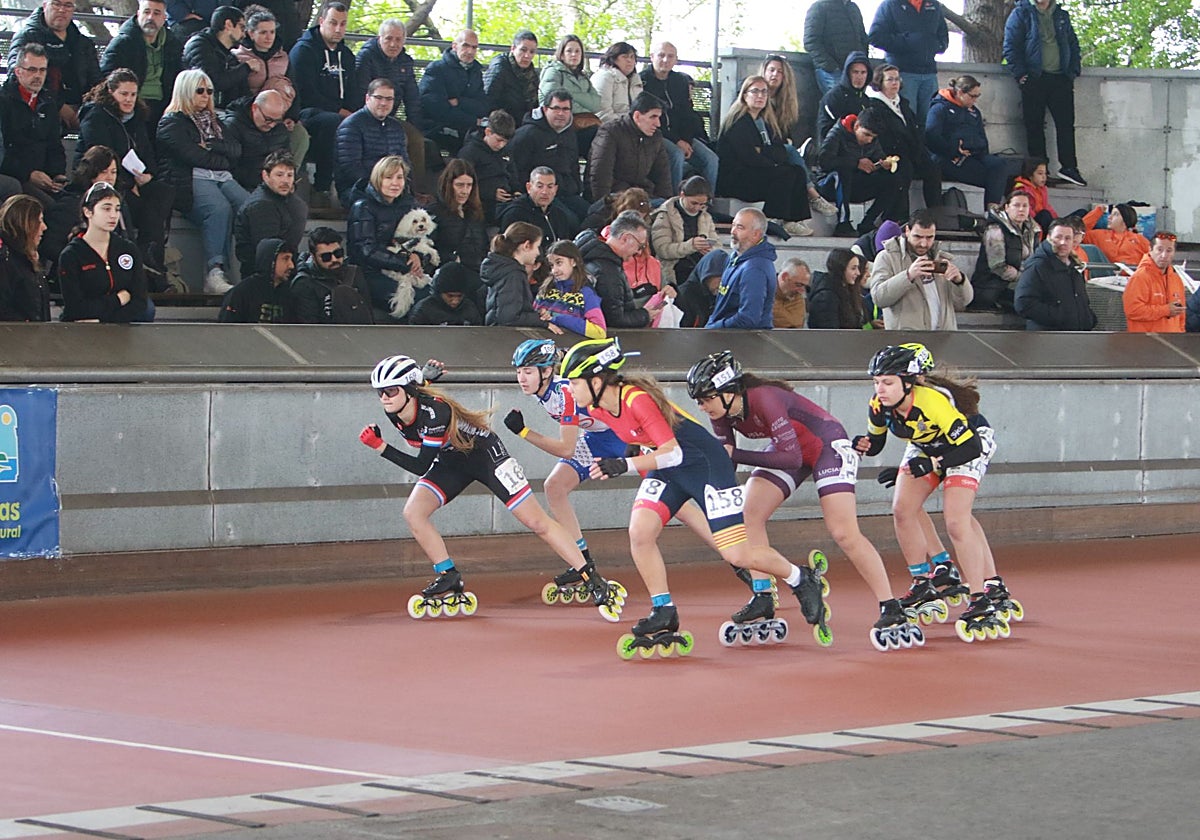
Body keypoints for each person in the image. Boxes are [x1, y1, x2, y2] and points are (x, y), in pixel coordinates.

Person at [559, 337, 831, 654]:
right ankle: (663, 609)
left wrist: (624, 463)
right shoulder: (596, 405)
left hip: (706, 467)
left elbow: (672, 452)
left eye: (574, 383)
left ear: (596, 381)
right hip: (669, 469)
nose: (570, 390)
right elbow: (641, 439)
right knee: (640, 532)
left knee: (737, 555)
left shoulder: (636, 399)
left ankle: (801, 578)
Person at [358, 354, 622, 619]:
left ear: (409, 390)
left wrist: (380, 447)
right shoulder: (396, 407)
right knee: (413, 513)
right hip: (452, 460)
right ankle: (448, 575)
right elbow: (419, 399)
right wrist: (425, 377)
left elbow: (420, 466)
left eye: (391, 390)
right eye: (380, 392)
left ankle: (591, 576)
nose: (384, 398)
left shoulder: (436, 412)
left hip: (485, 455)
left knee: (536, 522)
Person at [688, 350, 915, 648]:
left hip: (827, 445)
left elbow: (792, 458)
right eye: (698, 401)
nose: (703, 407)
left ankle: (890, 605)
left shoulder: (764, 399)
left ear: (729, 391)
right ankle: (762, 595)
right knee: (747, 515)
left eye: (706, 399)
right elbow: (726, 462)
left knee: (844, 532)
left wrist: (738, 455)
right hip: (788, 447)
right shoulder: (723, 412)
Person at [853, 343, 1012, 642]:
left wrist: (934, 463)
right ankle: (923, 580)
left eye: (887, 382)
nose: (880, 389)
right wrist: (862, 444)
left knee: (955, 519)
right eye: (876, 382)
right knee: (903, 509)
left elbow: (969, 448)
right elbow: (876, 442)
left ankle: (980, 596)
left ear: (908, 382)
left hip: (967, 443)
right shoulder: (878, 404)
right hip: (926, 444)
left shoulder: (932, 403)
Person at [503, 339, 629, 599]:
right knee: (554, 487)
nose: (521, 379)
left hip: (619, 437)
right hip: (598, 437)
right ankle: (581, 560)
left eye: (527, 372)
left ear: (547, 371)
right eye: (518, 372)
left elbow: (565, 449)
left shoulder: (565, 395)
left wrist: (524, 432)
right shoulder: (546, 393)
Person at [76, 69, 175, 278]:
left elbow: (147, 154)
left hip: (133, 179)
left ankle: (150, 254)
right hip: (104, 179)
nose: (129, 99)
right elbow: (100, 157)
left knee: (163, 192)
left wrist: (147, 176)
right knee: (146, 210)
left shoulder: (136, 119)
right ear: (110, 92)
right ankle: (146, 259)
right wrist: (130, 183)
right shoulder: (96, 115)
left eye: (133, 94)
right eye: (124, 94)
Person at [156, 68, 248, 293]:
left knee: (252, 206)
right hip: (188, 181)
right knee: (219, 209)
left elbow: (236, 150)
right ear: (185, 91)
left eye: (209, 91)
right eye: (199, 91)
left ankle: (253, 269)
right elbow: (193, 156)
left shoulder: (215, 121)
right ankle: (215, 271)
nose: (205, 95)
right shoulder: (171, 123)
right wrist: (222, 157)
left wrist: (212, 147)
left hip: (221, 178)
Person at [716, 77, 813, 237]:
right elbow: (749, 157)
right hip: (737, 178)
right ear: (744, 95)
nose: (760, 96)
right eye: (755, 91)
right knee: (784, 173)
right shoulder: (737, 122)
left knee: (797, 171)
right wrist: (770, 157)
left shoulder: (767, 122)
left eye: (764, 92)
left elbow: (781, 151)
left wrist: (764, 151)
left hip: (759, 171)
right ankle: (772, 218)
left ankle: (793, 220)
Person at [1003, 0, 1086, 187]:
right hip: (1034, 78)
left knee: (1066, 125)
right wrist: (1022, 75)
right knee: (1034, 126)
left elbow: (1073, 45)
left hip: (1060, 78)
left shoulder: (1061, 15)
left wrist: (1072, 71)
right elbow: (1010, 46)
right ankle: (1039, 172)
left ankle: (1069, 168)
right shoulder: (1021, 13)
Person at [289, 1, 358, 204]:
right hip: (307, 112)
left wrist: (354, 112)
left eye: (343, 24)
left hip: (341, 113)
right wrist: (341, 111)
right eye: (333, 23)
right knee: (333, 122)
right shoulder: (304, 50)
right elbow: (306, 92)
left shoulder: (347, 56)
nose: (338, 29)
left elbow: (354, 90)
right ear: (321, 21)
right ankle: (322, 189)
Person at [58, 181, 151, 322]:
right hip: (81, 334)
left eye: (117, 209)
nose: (114, 215)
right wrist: (118, 299)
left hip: (120, 329)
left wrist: (106, 320)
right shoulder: (72, 255)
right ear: (88, 211)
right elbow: (75, 308)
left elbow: (139, 301)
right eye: (106, 209)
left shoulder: (128, 249)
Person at [757, 54, 838, 216]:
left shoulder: (784, 102)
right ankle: (814, 195)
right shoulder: (756, 97)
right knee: (791, 153)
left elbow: (784, 134)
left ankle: (797, 215)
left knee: (796, 162)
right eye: (771, 70)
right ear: (764, 72)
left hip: (777, 149)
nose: (774, 75)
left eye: (779, 72)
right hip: (761, 148)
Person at [231, 6, 309, 170]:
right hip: (249, 115)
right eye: (263, 32)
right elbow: (235, 92)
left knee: (300, 136)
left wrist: (291, 117)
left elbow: (294, 89)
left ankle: (287, 176)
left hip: (281, 114)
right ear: (251, 33)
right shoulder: (239, 57)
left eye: (272, 32)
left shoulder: (283, 58)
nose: (269, 37)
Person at [869, 208, 972, 329]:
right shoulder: (886, 257)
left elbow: (963, 303)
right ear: (907, 231)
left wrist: (959, 281)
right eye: (918, 236)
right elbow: (878, 298)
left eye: (929, 237)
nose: (923, 243)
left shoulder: (942, 258)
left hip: (944, 338)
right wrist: (908, 276)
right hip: (907, 340)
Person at [7, 0, 102, 133]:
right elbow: (17, 75)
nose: (62, 10)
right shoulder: (27, 36)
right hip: (43, 106)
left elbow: (97, 80)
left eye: (68, 5)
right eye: (56, 4)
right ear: (45, 6)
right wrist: (59, 106)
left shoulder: (82, 42)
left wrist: (89, 107)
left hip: (82, 108)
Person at [862, 63, 942, 219]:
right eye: (890, 79)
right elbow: (883, 136)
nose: (894, 83)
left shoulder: (903, 104)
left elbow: (914, 130)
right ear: (880, 82)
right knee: (903, 170)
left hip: (910, 151)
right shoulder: (874, 106)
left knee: (932, 168)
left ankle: (937, 213)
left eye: (897, 79)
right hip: (890, 154)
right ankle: (898, 217)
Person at [639, 41, 718, 192]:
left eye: (670, 56)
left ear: (676, 59)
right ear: (652, 57)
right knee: (676, 155)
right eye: (661, 55)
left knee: (711, 159)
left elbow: (687, 115)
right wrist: (677, 141)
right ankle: (673, 201)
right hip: (655, 133)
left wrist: (686, 140)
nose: (665, 60)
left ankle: (706, 203)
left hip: (682, 136)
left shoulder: (680, 81)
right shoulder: (642, 81)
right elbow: (648, 117)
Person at [346, 155, 420, 314]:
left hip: (402, 269)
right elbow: (366, 250)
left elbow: (421, 238)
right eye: (389, 177)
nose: (395, 183)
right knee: (419, 300)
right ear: (378, 179)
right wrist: (404, 262)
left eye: (399, 177)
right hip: (368, 273)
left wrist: (419, 257)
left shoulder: (408, 205)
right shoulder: (363, 207)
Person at [926, 75, 1013, 208]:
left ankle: (992, 209)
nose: (975, 100)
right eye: (972, 96)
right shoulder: (939, 108)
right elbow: (931, 136)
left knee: (1001, 166)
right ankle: (991, 212)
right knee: (994, 180)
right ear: (960, 92)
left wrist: (980, 151)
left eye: (978, 96)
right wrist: (953, 150)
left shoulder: (974, 112)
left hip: (975, 154)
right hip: (950, 157)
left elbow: (981, 136)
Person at [817, 108, 905, 237]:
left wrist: (882, 164)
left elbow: (878, 156)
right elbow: (824, 161)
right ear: (856, 126)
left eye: (873, 137)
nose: (869, 140)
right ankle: (843, 222)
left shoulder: (872, 141)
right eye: (866, 135)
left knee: (893, 179)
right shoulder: (837, 133)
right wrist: (856, 163)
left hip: (855, 185)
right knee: (843, 173)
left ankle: (868, 222)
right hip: (831, 184)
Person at [355, 19, 426, 179]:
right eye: (388, 38)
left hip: (391, 118)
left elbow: (412, 99)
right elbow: (359, 92)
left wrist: (417, 126)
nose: (393, 44)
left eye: (398, 39)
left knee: (416, 139)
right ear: (379, 38)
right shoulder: (366, 56)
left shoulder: (405, 62)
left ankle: (417, 190)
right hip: (365, 116)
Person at [0, 44, 67, 208]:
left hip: (44, 178)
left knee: (71, 203)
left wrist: (58, 174)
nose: (38, 75)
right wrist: (29, 174)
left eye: (42, 70)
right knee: (50, 208)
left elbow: (54, 145)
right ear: (18, 71)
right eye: (32, 70)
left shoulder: (48, 102)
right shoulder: (3, 101)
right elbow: (4, 150)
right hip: (17, 175)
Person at [508, 91, 589, 223]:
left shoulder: (569, 134)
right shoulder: (527, 134)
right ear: (545, 109)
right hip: (541, 197)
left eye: (565, 109)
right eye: (556, 108)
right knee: (571, 222)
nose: (561, 114)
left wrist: (577, 187)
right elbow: (515, 168)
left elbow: (573, 165)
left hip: (567, 193)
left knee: (593, 215)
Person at [101, 0, 183, 128]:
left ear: (164, 18)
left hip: (165, 107)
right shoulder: (122, 43)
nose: (150, 17)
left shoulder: (173, 44)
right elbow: (107, 76)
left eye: (156, 13)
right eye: (146, 12)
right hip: (133, 104)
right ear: (138, 14)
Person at [576, 210, 660, 329]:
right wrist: (645, 315)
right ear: (625, 238)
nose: (639, 252)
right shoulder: (608, 272)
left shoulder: (587, 252)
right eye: (640, 246)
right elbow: (615, 320)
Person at [868, 0, 949, 124]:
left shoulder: (933, 5)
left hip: (929, 73)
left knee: (931, 121)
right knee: (906, 120)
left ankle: (924, 144)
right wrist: (907, 41)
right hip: (903, 72)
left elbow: (943, 34)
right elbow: (875, 37)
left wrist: (937, 46)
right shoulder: (890, 5)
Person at [1013, 216, 1097, 331]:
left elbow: (1083, 302)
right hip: (1047, 340)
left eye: (1068, 238)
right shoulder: (1037, 266)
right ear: (1049, 238)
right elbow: (1023, 304)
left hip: (1075, 338)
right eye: (1058, 237)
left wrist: (1088, 319)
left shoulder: (1075, 269)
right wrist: (1060, 317)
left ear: (1074, 242)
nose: (1063, 242)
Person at [335, 78, 409, 206]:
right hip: (358, 190)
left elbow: (405, 163)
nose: (384, 103)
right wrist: (381, 185)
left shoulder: (396, 127)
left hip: (392, 189)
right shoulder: (351, 125)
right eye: (379, 97)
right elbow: (350, 168)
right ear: (367, 99)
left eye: (389, 99)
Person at [588, 92, 672, 205]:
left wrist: (665, 207)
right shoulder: (610, 132)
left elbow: (663, 175)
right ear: (637, 116)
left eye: (659, 117)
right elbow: (600, 175)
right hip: (615, 198)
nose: (658, 124)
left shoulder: (655, 137)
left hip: (643, 197)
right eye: (653, 117)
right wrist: (604, 206)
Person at [233, 149, 305, 273]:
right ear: (265, 176)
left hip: (283, 271)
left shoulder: (291, 201)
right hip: (262, 277)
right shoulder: (261, 205)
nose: (285, 180)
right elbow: (269, 254)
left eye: (290, 175)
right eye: (279, 175)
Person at [418, 29, 488, 155]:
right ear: (454, 46)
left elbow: (482, 107)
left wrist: (459, 102)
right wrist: (473, 120)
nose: (470, 51)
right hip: (437, 130)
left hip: (466, 131)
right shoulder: (437, 69)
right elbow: (435, 108)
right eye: (465, 45)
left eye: (474, 47)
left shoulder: (476, 72)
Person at [705, 207, 776, 330]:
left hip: (742, 343)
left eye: (740, 228)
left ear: (756, 234)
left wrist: (714, 328)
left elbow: (748, 319)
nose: (733, 231)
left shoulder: (754, 270)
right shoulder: (735, 258)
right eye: (733, 225)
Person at [970, 188, 1039, 312]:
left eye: (1025, 206)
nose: (1021, 209)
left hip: (1020, 283)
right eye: (1016, 205)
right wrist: (1024, 279)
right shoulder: (995, 230)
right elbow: (998, 267)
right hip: (991, 287)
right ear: (1007, 207)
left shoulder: (1033, 231)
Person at [290, 225, 374, 324]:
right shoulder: (304, 282)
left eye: (338, 253)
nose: (334, 260)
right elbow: (309, 326)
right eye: (326, 257)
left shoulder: (354, 273)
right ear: (313, 257)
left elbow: (368, 315)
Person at [427, 158, 488, 291]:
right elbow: (428, 249)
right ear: (449, 184)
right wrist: (452, 258)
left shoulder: (475, 212)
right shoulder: (434, 212)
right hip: (451, 274)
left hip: (478, 270)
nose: (465, 191)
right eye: (460, 185)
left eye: (469, 185)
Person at [649, 175, 718, 286]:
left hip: (700, 269)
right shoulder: (665, 215)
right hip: (674, 271)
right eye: (694, 203)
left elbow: (717, 246)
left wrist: (709, 250)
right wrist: (691, 246)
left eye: (702, 204)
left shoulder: (705, 216)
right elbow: (662, 249)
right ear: (682, 195)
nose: (697, 208)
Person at [220, 88, 290, 191]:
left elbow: (286, 159)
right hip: (242, 185)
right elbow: (230, 166)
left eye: (277, 120)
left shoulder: (280, 128)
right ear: (254, 108)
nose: (272, 125)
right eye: (268, 119)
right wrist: (264, 179)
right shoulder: (232, 126)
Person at [456, 109, 518, 223]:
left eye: (505, 142)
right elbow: (461, 183)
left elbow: (512, 173)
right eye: (499, 140)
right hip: (481, 204)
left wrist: (516, 191)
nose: (502, 145)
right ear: (488, 132)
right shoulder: (469, 152)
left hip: (506, 202)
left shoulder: (506, 151)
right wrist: (490, 193)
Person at [534, 239, 605, 337]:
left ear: (574, 262)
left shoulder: (586, 293)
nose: (554, 270)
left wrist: (558, 318)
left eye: (559, 263)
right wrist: (540, 316)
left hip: (570, 347)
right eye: (551, 265)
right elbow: (533, 316)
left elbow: (599, 332)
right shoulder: (546, 289)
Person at [182, 5, 249, 109]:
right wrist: (247, 67)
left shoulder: (229, 55)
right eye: (242, 27)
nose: (244, 35)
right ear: (228, 25)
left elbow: (242, 92)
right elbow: (213, 82)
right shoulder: (199, 45)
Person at [538, 34, 601, 142]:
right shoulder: (553, 71)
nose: (574, 54)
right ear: (562, 54)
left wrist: (571, 95)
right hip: (559, 123)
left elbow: (596, 104)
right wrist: (585, 109)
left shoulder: (583, 77)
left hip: (582, 123)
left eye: (577, 51)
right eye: (569, 51)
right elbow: (552, 101)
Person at [218, 236, 297, 322]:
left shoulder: (290, 294)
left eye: (291, 259)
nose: (291, 265)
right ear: (270, 260)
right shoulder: (241, 293)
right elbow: (227, 329)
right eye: (285, 259)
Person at [481, 221, 544, 327]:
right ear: (526, 245)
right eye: (537, 246)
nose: (538, 253)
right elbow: (509, 318)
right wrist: (539, 320)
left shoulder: (503, 269)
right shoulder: (513, 275)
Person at [497, 166, 579, 245]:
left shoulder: (559, 214)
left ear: (555, 189)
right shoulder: (515, 214)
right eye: (540, 186)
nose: (544, 192)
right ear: (529, 187)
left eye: (550, 187)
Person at [0, 195, 51, 322]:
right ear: (25, 224)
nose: (44, 227)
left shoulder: (27, 258)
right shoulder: (5, 260)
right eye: (39, 221)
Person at [1124, 232, 1186, 333]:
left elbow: (1181, 317)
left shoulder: (1176, 279)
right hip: (1146, 343)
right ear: (1150, 250)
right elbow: (1133, 311)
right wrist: (1166, 310)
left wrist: (1181, 336)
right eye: (1159, 249)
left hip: (1172, 343)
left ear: (1174, 253)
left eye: (1169, 250)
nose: (1164, 255)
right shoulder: (1140, 277)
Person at [803, 0, 869, 95]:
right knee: (836, 107)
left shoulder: (853, 8)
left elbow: (863, 38)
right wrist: (831, 67)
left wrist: (863, 62)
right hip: (832, 72)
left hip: (855, 70)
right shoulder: (819, 7)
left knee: (856, 107)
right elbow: (811, 41)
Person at [484, 29, 540, 125]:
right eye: (523, 50)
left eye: (532, 52)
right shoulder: (499, 68)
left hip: (523, 122)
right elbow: (488, 101)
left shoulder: (531, 74)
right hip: (500, 124)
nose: (527, 55)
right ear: (513, 48)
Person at [816, 51, 871, 143]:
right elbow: (830, 132)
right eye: (855, 72)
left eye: (863, 72)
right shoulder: (834, 96)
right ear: (848, 73)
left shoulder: (866, 100)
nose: (859, 77)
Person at [808, 248, 868, 329]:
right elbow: (829, 333)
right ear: (841, 268)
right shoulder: (826, 297)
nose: (858, 273)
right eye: (853, 268)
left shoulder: (846, 291)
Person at [407, 261, 482, 326]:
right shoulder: (423, 311)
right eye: (450, 296)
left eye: (459, 296)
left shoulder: (470, 309)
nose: (455, 301)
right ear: (439, 293)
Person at [1082, 203, 1150, 266]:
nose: (1109, 217)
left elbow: (1153, 259)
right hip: (1107, 276)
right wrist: (1097, 212)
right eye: (1110, 214)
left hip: (1132, 276)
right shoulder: (1099, 235)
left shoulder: (1140, 240)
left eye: (1115, 214)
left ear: (1125, 219)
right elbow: (1079, 231)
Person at [593, 42, 642, 124]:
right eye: (624, 57)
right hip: (610, 130)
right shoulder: (604, 77)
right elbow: (602, 114)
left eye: (632, 57)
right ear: (614, 59)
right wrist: (630, 125)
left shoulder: (636, 80)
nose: (629, 60)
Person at [677, 248, 726, 327]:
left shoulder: (721, 296)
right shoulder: (683, 296)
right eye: (719, 279)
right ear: (707, 275)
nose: (721, 284)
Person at [1012, 158, 1057, 234]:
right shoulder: (1021, 189)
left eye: (1045, 174)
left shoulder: (1042, 189)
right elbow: (1028, 213)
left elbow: (1047, 207)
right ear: (1030, 175)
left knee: (1080, 214)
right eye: (1040, 173)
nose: (1044, 177)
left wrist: (1058, 221)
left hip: (1044, 221)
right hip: (1032, 225)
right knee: (1044, 214)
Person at [773, 257, 811, 328]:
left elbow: (796, 323)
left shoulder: (797, 296)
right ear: (784, 277)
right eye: (798, 285)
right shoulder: (763, 291)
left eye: (805, 286)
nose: (802, 291)